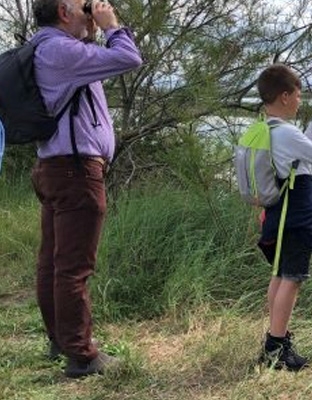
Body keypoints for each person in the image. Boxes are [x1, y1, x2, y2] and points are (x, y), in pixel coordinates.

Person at [29, 0, 142, 378]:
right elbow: (128, 57)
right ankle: (81, 354)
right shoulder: (61, 50)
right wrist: (111, 24)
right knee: (72, 268)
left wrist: (89, 28)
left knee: (54, 263)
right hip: (75, 173)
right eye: (84, 6)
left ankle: (60, 340)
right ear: (64, 10)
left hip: (56, 167)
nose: (91, 10)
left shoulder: (45, 47)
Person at [255, 64, 312, 371]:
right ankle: (276, 349)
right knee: (292, 279)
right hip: (297, 213)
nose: (301, 101)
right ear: (284, 96)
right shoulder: (286, 132)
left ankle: (276, 339)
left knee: (280, 274)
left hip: (281, 210)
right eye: (298, 95)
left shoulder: (270, 128)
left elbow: (300, 154)